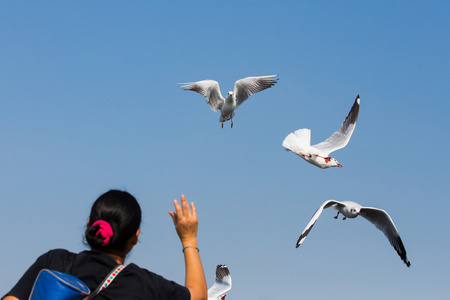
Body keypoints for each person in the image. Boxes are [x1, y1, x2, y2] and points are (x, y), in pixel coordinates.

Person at [2, 190, 207, 300]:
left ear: (90, 226)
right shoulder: (142, 284)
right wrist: (188, 239)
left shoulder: (53, 260)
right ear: (134, 238)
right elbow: (198, 296)